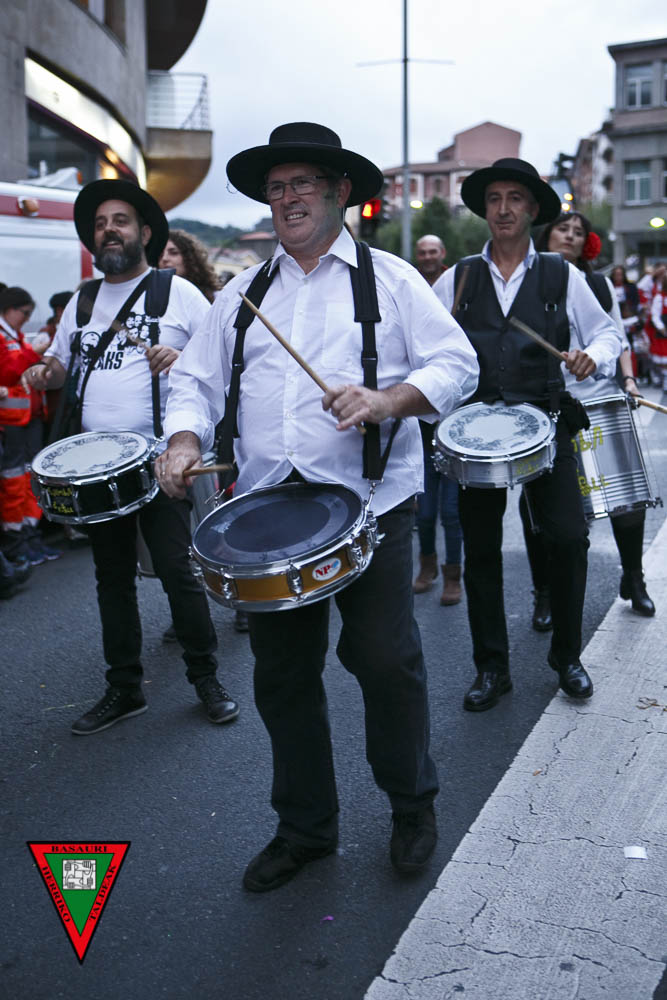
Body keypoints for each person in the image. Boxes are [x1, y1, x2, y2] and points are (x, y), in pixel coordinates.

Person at [157, 122, 479, 891]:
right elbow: (194, 381)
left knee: (385, 662)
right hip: (268, 513)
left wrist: (387, 399)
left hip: (371, 504)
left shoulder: (391, 279)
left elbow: (456, 364)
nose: (288, 198)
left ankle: (411, 807)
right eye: (277, 188)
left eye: (302, 183)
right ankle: (305, 828)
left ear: (340, 193)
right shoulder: (242, 293)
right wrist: (181, 440)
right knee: (281, 675)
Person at [23, 179, 239, 734]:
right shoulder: (83, 300)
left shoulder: (178, 293)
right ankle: (124, 688)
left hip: (161, 459)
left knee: (177, 570)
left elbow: (221, 360)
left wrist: (181, 355)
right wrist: (45, 371)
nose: (109, 230)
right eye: (100, 223)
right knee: (111, 578)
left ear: (144, 233)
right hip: (94, 467)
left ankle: (206, 678)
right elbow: (62, 365)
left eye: (119, 220)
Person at [433, 158, 620, 712]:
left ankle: (567, 656)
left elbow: (607, 334)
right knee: (480, 550)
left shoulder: (562, 275)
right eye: (494, 198)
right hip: (475, 432)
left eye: (515, 198)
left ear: (533, 209)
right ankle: (491, 668)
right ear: (484, 209)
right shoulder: (459, 276)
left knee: (568, 537)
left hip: (547, 419)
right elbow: (425, 344)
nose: (504, 208)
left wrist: (592, 356)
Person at [412, 235, 462, 603]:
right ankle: (426, 566)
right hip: (422, 421)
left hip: (455, 417)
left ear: (442, 254)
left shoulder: (459, 284)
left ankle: (452, 576)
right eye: (423, 252)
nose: (428, 257)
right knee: (425, 512)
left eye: (434, 252)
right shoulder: (410, 286)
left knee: (452, 511)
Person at [0, 286, 61, 566]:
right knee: (14, 482)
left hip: (30, 419)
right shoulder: (6, 337)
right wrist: (37, 352)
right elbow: (9, 371)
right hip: (12, 422)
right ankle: (17, 542)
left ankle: (30, 536)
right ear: (9, 308)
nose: (26, 318)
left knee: (30, 480)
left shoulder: (17, 336)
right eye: (24, 313)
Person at [158, 230, 221, 304]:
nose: (164, 258)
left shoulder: (216, 297)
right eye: (160, 254)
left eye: (173, 253)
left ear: (190, 257)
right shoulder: (151, 293)